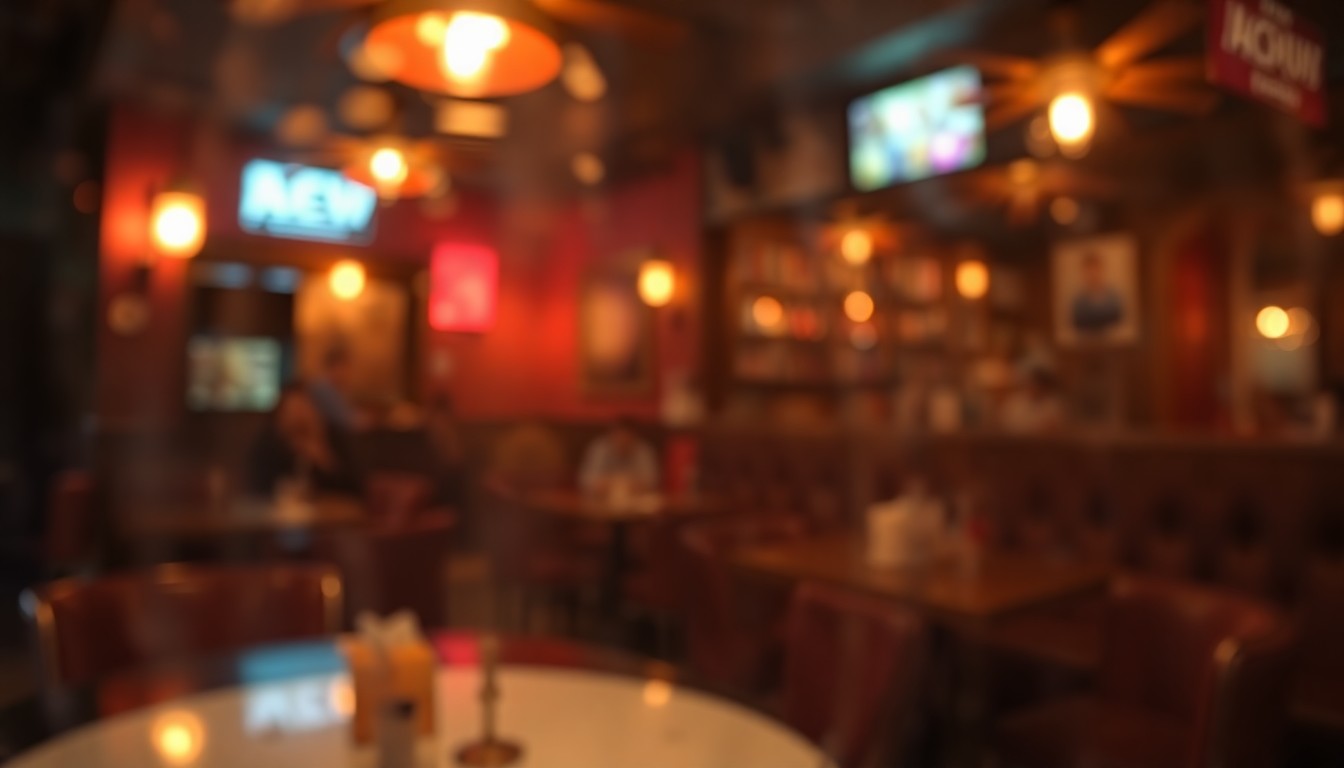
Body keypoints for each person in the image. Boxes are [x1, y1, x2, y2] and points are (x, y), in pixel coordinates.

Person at [248, 382, 362, 498]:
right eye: (291, 411)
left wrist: (322, 457)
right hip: (277, 512)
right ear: (280, 415)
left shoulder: (333, 437)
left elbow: (356, 489)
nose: (298, 417)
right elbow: (254, 491)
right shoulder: (268, 443)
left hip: (328, 513)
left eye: (303, 409)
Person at [578, 417, 660, 496]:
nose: (622, 441)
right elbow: (586, 480)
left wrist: (624, 485)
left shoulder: (644, 451)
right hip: (600, 502)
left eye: (627, 437)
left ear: (634, 437)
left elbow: (652, 481)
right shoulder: (599, 449)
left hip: (638, 503)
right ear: (611, 435)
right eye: (618, 436)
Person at [425, 392, 469, 509]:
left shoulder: (438, 422)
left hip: (449, 474)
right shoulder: (450, 421)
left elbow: (452, 455)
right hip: (455, 473)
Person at [1071, 252, 1124, 337]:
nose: (1093, 274)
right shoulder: (1079, 301)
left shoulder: (1113, 297)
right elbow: (1077, 324)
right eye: (1089, 270)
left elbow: (1118, 322)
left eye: (1096, 269)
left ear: (1101, 270)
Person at [1000, 367, 1065, 434]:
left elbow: (1059, 430)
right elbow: (1003, 425)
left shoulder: (1054, 406)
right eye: (1031, 384)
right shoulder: (1014, 402)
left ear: (1045, 387)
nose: (1034, 388)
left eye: (1037, 385)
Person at [309, 344, 358, 433]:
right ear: (335, 367)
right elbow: (348, 420)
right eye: (345, 367)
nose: (348, 374)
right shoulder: (324, 388)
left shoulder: (333, 388)